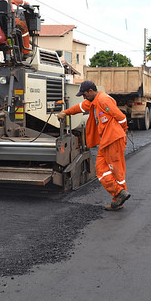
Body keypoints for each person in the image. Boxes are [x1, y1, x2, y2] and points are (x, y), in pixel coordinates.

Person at [57, 80, 131, 211]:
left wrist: (122, 131)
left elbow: (121, 117)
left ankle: (118, 200)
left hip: (114, 140)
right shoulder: (93, 102)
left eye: (84, 94)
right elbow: (79, 107)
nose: (84, 97)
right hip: (106, 141)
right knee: (101, 170)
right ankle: (119, 194)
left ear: (91, 91)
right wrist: (65, 112)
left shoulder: (103, 100)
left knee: (116, 171)